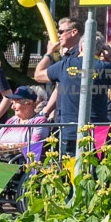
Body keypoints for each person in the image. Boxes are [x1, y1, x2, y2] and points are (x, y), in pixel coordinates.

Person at [34, 17, 86, 152]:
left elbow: (38, 76)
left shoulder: (77, 57)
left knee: (70, 162)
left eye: (61, 31)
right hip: (63, 118)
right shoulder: (68, 56)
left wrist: (49, 53)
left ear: (74, 32)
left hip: (72, 122)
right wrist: (46, 112)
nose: (58, 35)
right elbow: (60, 87)